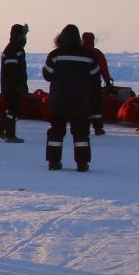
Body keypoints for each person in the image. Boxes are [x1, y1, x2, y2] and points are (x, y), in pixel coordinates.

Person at [40, 24, 100, 171]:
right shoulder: (89, 55)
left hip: (58, 101)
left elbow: (47, 75)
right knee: (81, 133)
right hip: (80, 102)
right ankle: (82, 163)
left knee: (56, 132)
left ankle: (53, 162)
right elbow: (95, 78)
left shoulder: (55, 55)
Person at [0, 23, 28, 143]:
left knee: (11, 109)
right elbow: (11, 70)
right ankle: (10, 134)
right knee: (13, 110)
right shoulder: (12, 50)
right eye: (23, 34)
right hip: (11, 87)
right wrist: (18, 85)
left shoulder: (17, 49)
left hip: (13, 86)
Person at [82, 31, 114, 135]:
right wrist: (108, 81)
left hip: (79, 83)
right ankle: (98, 128)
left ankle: (83, 127)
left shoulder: (78, 51)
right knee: (96, 105)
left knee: (82, 105)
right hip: (94, 83)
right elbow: (103, 68)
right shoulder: (97, 53)